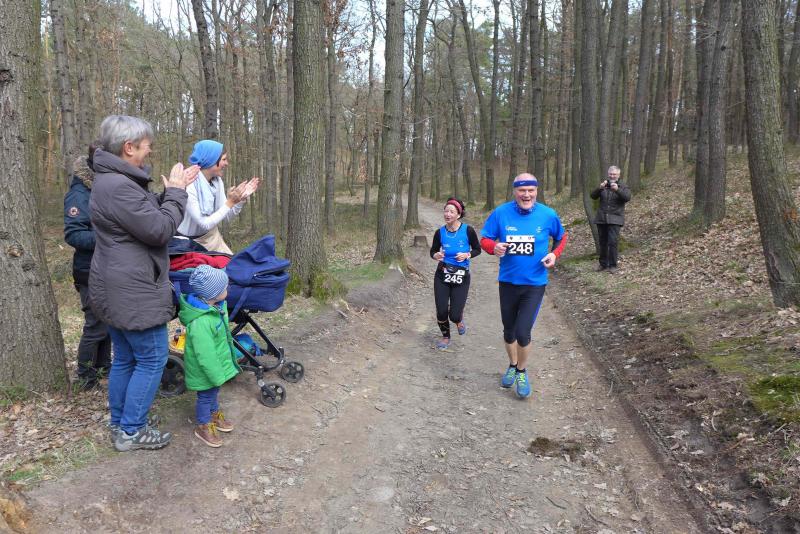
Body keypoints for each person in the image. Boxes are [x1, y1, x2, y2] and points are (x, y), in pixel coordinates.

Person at [89, 114, 200, 451]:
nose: (149, 150)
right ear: (129, 147)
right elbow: (160, 230)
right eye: (146, 145)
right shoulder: (119, 187)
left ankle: (122, 423)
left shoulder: (112, 181)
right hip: (133, 288)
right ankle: (132, 430)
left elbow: (144, 219)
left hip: (118, 284)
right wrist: (177, 194)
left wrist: (170, 193)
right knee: (152, 359)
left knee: (126, 358)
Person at [480, 173, 568, 399]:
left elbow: (561, 237)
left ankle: (521, 371)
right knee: (509, 331)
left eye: (530, 190)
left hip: (534, 284)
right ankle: (512, 364)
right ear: (514, 191)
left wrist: (554, 254)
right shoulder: (501, 213)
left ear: (536, 191)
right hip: (508, 282)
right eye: (522, 190)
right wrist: (493, 247)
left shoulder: (548, 214)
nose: (526, 195)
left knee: (522, 332)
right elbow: (485, 238)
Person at [64, 144, 111, 391]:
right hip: (88, 270)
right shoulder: (79, 194)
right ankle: (85, 377)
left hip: (106, 268)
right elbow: (74, 234)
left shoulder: (103, 189)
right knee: (95, 324)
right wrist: (108, 238)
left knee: (108, 322)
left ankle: (103, 367)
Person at [179, 265, 241, 448]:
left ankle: (213, 415)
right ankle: (203, 425)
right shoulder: (202, 322)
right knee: (205, 396)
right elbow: (205, 354)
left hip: (214, 366)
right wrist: (216, 374)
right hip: (205, 369)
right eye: (224, 287)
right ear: (213, 294)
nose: (227, 289)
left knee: (213, 393)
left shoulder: (215, 308)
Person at [177, 140, 260, 254]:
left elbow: (226, 216)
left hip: (212, 237)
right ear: (211, 160)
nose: (227, 163)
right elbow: (205, 223)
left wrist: (239, 200)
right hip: (188, 244)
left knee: (233, 263)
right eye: (224, 159)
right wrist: (230, 203)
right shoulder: (189, 185)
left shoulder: (217, 182)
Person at [429, 198, 481, 350]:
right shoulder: (439, 232)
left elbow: (477, 249)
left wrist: (467, 255)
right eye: (446, 211)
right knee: (441, 311)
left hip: (461, 276)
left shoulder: (468, 230)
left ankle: (458, 319)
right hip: (442, 275)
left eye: (451, 212)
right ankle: (446, 337)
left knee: (454, 315)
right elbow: (433, 251)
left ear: (458, 215)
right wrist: (436, 255)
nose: (448, 214)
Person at [590, 165, 631, 273]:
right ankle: (603, 264)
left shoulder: (623, 186)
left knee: (613, 242)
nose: (612, 176)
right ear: (608, 174)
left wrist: (617, 190)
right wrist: (599, 188)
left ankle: (613, 265)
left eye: (614, 174)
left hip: (615, 218)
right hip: (602, 218)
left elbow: (627, 197)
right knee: (602, 242)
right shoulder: (604, 185)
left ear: (619, 175)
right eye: (611, 174)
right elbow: (593, 196)